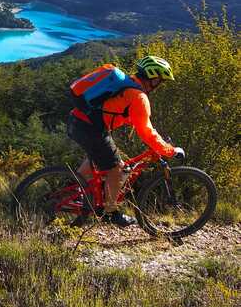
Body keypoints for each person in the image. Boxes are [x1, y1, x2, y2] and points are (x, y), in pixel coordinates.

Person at [67, 55, 184, 227]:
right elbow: (146, 131)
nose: (160, 85)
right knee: (116, 169)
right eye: (161, 81)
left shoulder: (127, 84)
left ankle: (75, 193)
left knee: (99, 158)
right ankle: (111, 213)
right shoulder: (139, 97)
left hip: (77, 121)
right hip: (90, 129)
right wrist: (169, 150)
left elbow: (128, 116)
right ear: (154, 79)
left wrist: (156, 138)